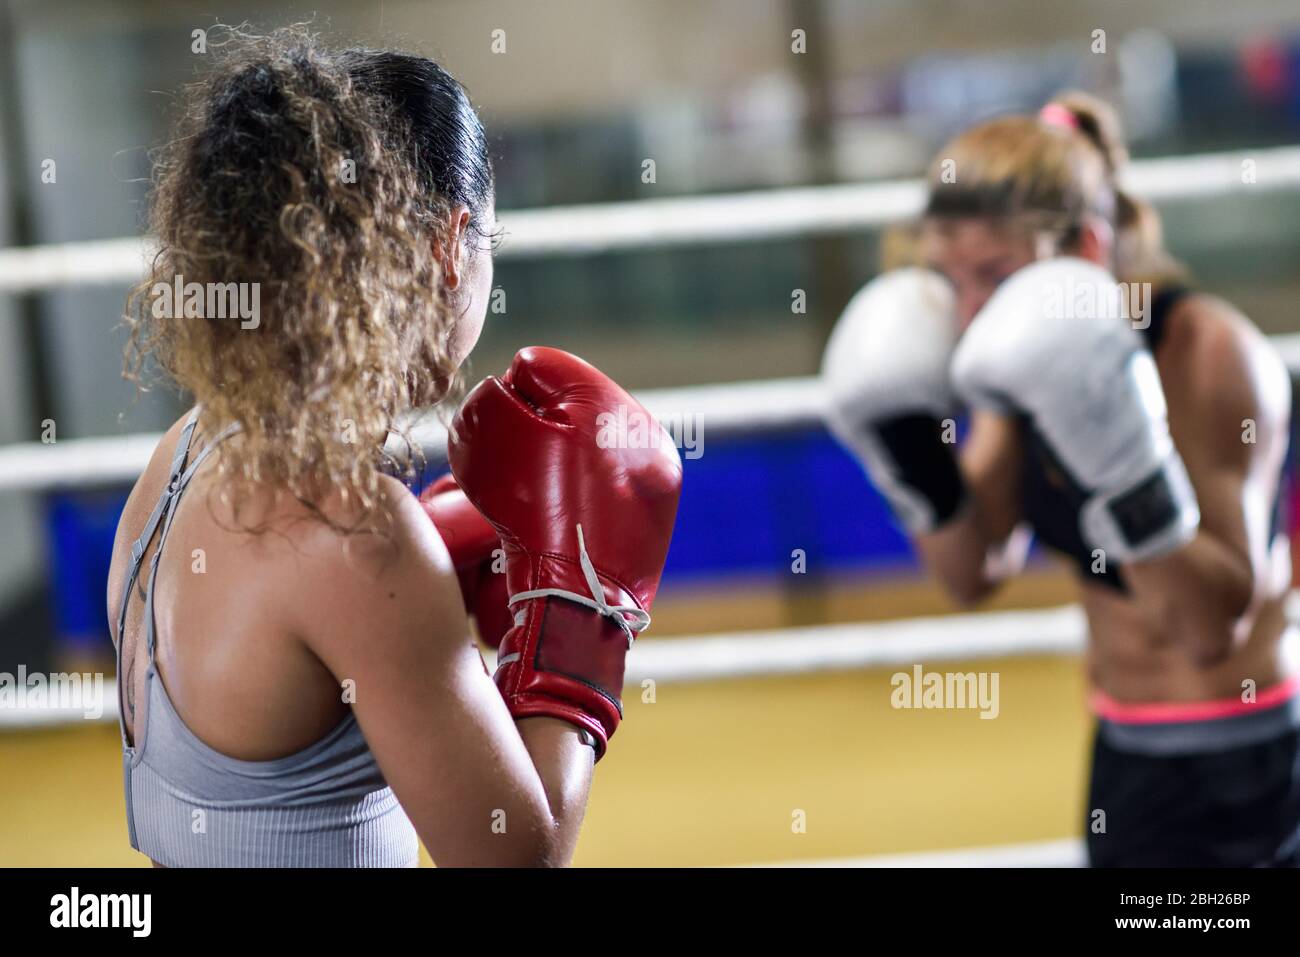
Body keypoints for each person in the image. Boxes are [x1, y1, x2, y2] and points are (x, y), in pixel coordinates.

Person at [107, 27, 681, 868]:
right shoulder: (348, 533)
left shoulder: (185, 449)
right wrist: (582, 610)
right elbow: (517, 856)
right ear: (452, 246)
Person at [823, 91, 1298, 866]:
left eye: (994, 274)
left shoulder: (1205, 354)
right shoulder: (1020, 362)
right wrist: (909, 455)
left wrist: (1127, 464)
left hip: (1248, 760)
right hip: (1124, 751)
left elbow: (1213, 628)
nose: (971, 309)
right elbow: (973, 571)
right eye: (949, 278)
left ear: (1083, 248)